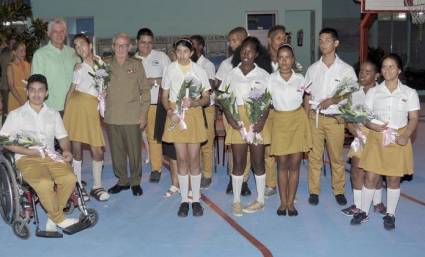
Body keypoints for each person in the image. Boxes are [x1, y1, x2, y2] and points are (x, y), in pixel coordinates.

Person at [0, 74, 78, 231]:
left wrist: (67, 150)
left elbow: (62, 137)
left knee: (69, 178)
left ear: (46, 93)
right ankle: (59, 219)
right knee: (44, 183)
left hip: (50, 155)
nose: (36, 94)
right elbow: (4, 141)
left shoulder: (53, 114)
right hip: (26, 158)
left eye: (40, 90)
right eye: (33, 90)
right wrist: (28, 152)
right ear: (27, 92)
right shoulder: (16, 115)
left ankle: (52, 217)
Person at [350, 53, 420, 230]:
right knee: (371, 176)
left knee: (393, 178)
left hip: (398, 138)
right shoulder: (374, 92)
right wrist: (371, 125)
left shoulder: (409, 93)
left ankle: (390, 214)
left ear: (399, 70)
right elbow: (364, 117)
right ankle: (363, 212)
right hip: (376, 138)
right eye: (384, 67)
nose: (388, 70)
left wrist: (406, 135)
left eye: (391, 66)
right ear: (380, 71)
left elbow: (413, 118)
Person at [304, 27, 357, 206]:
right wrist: (306, 118)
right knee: (314, 157)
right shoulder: (312, 69)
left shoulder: (346, 69)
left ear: (336, 43)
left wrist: (334, 100)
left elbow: (351, 94)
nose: (323, 43)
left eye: (327, 40)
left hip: (336, 119)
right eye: (320, 40)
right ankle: (314, 191)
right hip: (315, 118)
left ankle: (339, 190)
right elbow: (307, 95)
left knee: (336, 157)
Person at [220, 36, 272, 216]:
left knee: (258, 162)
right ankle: (236, 201)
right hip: (237, 121)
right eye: (243, 50)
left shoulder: (264, 75)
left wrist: (262, 121)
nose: (246, 54)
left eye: (250, 51)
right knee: (238, 162)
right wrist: (230, 118)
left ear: (256, 54)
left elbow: (268, 101)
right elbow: (224, 99)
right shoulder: (231, 73)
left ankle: (260, 200)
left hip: (257, 120)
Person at [161, 38, 211, 217]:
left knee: (194, 159)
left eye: (185, 51)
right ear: (175, 52)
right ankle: (184, 200)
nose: (182, 55)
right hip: (176, 115)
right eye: (179, 51)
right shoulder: (170, 69)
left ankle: (195, 199)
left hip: (194, 115)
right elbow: (164, 95)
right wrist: (169, 110)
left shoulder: (199, 71)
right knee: (181, 159)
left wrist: (195, 102)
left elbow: (207, 98)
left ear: (191, 53)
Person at [63, 34, 109, 202]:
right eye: (76, 46)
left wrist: (105, 94)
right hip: (77, 108)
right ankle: (77, 185)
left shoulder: (101, 63)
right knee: (77, 146)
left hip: (93, 109)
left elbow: (104, 86)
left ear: (89, 45)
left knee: (97, 148)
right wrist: (65, 116)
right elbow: (71, 90)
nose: (79, 48)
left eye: (82, 44)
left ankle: (97, 186)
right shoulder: (79, 68)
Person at [268, 44, 312, 216]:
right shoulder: (271, 79)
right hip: (279, 121)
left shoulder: (300, 78)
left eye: (288, 57)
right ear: (277, 60)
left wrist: (306, 117)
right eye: (281, 57)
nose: (284, 61)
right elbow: (265, 100)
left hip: (297, 121)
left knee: (294, 165)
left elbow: (308, 96)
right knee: (282, 165)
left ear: (293, 60)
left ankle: (291, 203)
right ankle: (282, 202)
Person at [105, 32, 150, 196]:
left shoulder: (137, 65)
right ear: (113, 47)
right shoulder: (105, 65)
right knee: (116, 152)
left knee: (134, 152)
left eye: (125, 45)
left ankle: (136, 181)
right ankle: (122, 180)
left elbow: (145, 90)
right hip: (112, 115)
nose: (121, 48)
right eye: (118, 45)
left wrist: (144, 114)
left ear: (130, 47)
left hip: (132, 116)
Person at [341, 60, 386, 216]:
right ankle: (357, 205)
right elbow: (348, 117)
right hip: (359, 136)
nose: (362, 75)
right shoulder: (354, 93)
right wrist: (353, 130)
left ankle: (378, 202)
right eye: (361, 71)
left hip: (377, 136)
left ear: (377, 75)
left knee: (376, 171)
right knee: (356, 170)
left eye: (368, 72)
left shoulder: (382, 92)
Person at [215, 27, 252, 196]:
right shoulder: (226, 64)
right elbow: (219, 90)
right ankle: (233, 178)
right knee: (233, 146)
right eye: (230, 41)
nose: (231, 43)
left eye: (235, 40)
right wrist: (226, 110)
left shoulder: (255, 63)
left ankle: (244, 181)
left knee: (249, 146)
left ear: (245, 40)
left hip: (251, 111)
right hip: (231, 111)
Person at [134, 28, 171, 183]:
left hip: (158, 104)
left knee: (155, 138)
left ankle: (156, 169)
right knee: (138, 138)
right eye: (143, 42)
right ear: (137, 42)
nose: (146, 46)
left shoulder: (161, 57)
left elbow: (171, 77)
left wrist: (154, 80)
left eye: (149, 42)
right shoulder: (132, 61)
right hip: (139, 105)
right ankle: (137, 169)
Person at [31, 17, 79, 113]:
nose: (59, 34)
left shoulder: (73, 53)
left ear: (65, 33)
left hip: (73, 106)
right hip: (51, 108)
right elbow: (36, 83)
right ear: (49, 34)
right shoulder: (40, 54)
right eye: (55, 32)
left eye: (62, 31)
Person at [190, 35, 216, 189]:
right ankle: (196, 172)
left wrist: (191, 93)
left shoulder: (207, 65)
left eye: (193, 45)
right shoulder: (188, 65)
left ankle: (207, 174)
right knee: (194, 142)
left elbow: (210, 85)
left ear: (201, 47)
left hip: (206, 108)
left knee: (206, 142)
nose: (191, 48)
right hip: (193, 108)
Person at [6, 41, 30, 112]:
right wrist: (21, 101)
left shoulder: (27, 64)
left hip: (26, 96)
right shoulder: (10, 66)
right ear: (14, 52)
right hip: (15, 97)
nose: (24, 53)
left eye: (25, 51)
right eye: (21, 51)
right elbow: (11, 86)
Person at [0, 35, 16, 117]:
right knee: (6, 109)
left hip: (11, 84)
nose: (13, 44)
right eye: (12, 42)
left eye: (14, 42)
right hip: (5, 85)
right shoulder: (6, 52)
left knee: (9, 109)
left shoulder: (12, 53)